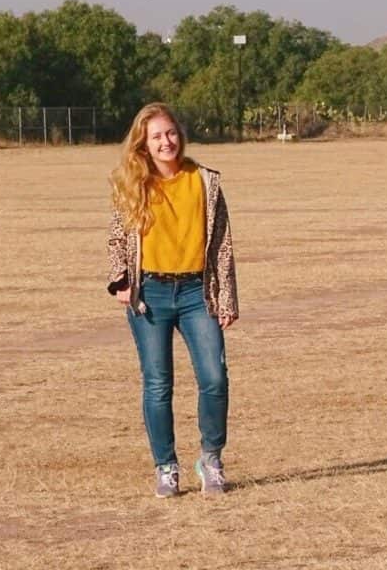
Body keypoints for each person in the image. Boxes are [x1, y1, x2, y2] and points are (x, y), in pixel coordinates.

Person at [107, 102, 239, 498]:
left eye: (170, 133)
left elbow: (222, 245)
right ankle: (166, 466)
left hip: (198, 293)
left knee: (214, 378)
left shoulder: (205, 181)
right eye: (156, 137)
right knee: (158, 383)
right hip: (151, 294)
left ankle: (211, 459)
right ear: (143, 145)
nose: (166, 141)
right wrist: (121, 282)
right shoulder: (133, 184)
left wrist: (227, 297)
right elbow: (117, 237)